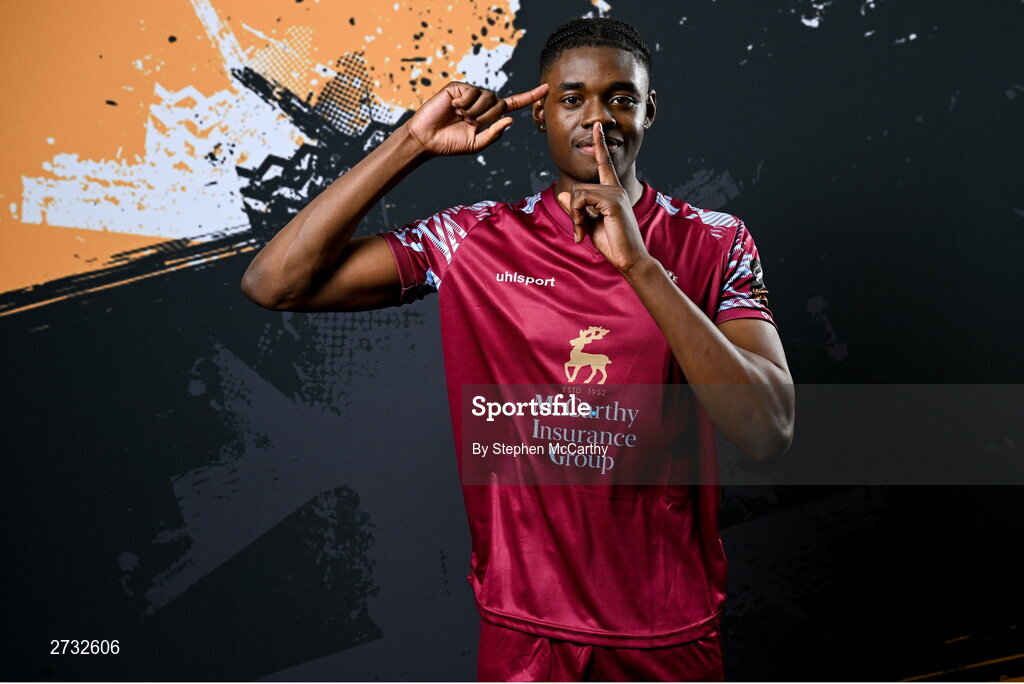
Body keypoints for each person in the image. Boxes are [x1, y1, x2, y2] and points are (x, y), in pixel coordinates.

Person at [241, 16, 795, 682]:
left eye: (621, 97)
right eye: (572, 98)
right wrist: (410, 146)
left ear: (650, 109)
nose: (598, 120)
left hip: (664, 634)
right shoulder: (473, 239)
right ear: (539, 113)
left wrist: (642, 267)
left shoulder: (716, 241)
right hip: (524, 636)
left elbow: (767, 431)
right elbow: (274, 282)